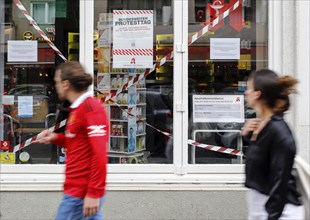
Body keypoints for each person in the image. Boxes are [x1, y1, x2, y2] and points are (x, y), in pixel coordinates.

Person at [34, 61, 109, 220]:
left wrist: (94, 193)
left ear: (66, 84)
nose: (56, 86)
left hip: (80, 193)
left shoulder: (91, 109)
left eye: (56, 82)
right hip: (77, 191)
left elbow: (100, 154)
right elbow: (78, 144)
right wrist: (56, 138)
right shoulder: (78, 109)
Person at [241, 69, 304, 220]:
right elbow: (258, 166)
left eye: (248, 88)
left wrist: (273, 216)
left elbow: (279, 181)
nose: (245, 93)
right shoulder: (262, 125)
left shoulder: (279, 132)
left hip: (282, 213)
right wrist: (247, 138)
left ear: (257, 93)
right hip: (262, 209)